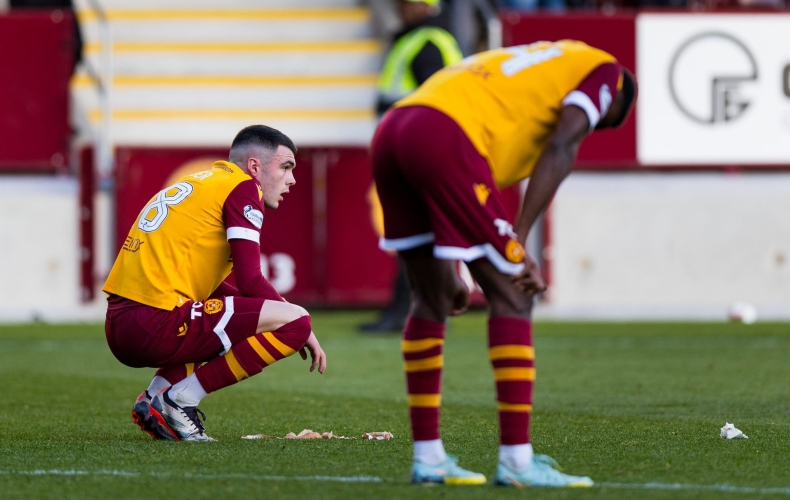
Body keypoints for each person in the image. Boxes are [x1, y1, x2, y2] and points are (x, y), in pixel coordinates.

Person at [371, 40, 637, 485]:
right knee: (515, 291)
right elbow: (560, 146)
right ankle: (516, 462)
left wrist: (457, 267)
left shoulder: (545, 62)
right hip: (444, 135)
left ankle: (429, 458)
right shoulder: (606, 72)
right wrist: (519, 238)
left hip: (395, 129)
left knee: (433, 298)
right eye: (602, 123)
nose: (594, 128)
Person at [103, 125, 327, 442]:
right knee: (296, 320)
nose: (291, 179)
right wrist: (296, 321)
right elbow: (251, 281)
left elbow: (217, 288)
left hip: (123, 323)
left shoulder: (201, 182)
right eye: (286, 167)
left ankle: (156, 397)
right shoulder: (244, 188)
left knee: (239, 318)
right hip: (152, 323)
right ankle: (180, 401)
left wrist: (273, 316)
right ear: (254, 166)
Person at [362, 0, 463, 333]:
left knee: (417, 234)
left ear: (424, 5)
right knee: (414, 233)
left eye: (406, 3)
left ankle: (409, 310)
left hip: (418, 150)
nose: (400, 8)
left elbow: (432, 105)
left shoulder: (428, 42)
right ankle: (410, 308)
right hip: (409, 148)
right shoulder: (415, 39)